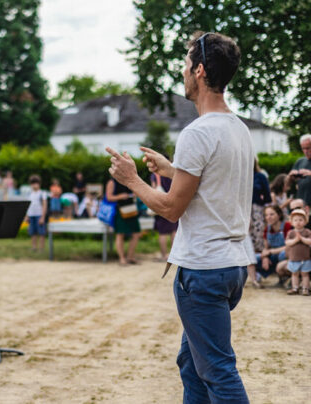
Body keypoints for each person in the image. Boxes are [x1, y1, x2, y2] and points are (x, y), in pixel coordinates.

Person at [106, 31, 250, 402]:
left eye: (186, 66)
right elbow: (212, 184)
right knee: (191, 362)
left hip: (202, 270)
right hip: (232, 266)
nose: (183, 74)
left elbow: (171, 208)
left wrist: (131, 179)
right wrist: (172, 169)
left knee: (218, 371)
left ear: (200, 70)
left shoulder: (197, 132)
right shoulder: (239, 129)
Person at [247, 158, 272, 287]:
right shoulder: (241, 175)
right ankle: (251, 274)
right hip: (244, 210)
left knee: (259, 239)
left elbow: (267, 195)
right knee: (247, 240)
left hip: (257, 210)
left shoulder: (260, 176)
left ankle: (261, 271)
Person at [105, 178, 141, 265]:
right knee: (120, 234)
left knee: (136, 233)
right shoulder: (112, 181)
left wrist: (134, 194)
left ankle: (130, 256)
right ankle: (122, 258)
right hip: (120, 210)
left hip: (132, 209)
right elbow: (109, 197)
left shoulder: (129, 179)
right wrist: (121, 196)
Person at [256, 205, 290, 285]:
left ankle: (286, 277)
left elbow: (289, 246)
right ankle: (257, 278)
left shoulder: (287, 226)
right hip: (273, 255)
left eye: (272, 214)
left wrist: (271, 251)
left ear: (279, 215)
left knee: (282, 254)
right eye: (266, 215)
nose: (268, 217)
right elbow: (266, 248)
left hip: (286, 254)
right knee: (255, 258)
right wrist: (265, 257)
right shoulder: (267, 229)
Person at [150, 172, 178, 261]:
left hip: (162, 205)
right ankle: (175, 255)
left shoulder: (155, 175)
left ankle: (164, 255)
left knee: (162, 233)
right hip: (173, 204)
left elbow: (153, 190)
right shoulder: (172, 172)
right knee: (174, 231)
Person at [284, 209, 311, 296]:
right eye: (295, 220)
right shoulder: (291, 232)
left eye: (300, 220)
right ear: (291, 222)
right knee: (294, 273)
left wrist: (302, 239)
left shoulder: (307, 232)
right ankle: (295, 288)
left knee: (305, 274)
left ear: (305, 221)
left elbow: (310, 241)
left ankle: (305, 288)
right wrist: (296, 240)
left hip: (305, 258)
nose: (298, 222)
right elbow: (287, 242)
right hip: (294, 258)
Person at [289, 134, 311, 207]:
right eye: (303, 148)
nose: (305, 151)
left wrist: (309, 173)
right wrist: (291, 176)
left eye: (308, 148)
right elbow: (288, 183)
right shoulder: (300, 161)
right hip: (301, 202)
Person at [26, 175, 47, 252]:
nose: (34, 185)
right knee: (32, 232)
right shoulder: (29, 194)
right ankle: (34, 247)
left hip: (39, 214)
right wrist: (26, 215)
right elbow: (27, 205)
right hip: (31, 214)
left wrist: (43, 217)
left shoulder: (42, 193)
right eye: (33, 183)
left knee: (41, 233)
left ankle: (41, 248)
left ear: (39, 184)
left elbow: (44, 205)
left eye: (36, 183)